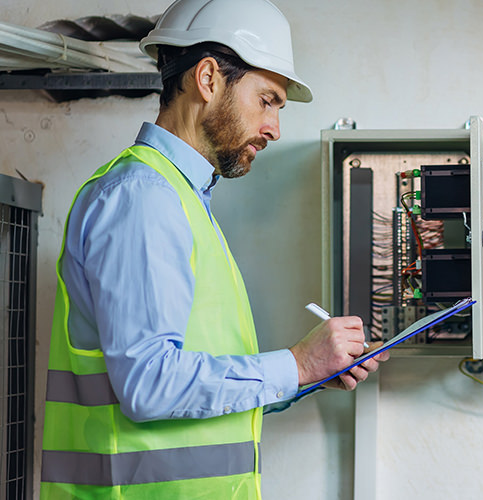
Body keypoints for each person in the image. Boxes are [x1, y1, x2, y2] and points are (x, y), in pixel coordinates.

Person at [39, 0, 388, 498]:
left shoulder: (179, 198)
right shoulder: (143, 198)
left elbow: (190, 390)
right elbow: (149, 384)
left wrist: (304, 376)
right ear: (208, 79)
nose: (274, 129)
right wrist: (296, 364)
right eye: (267, 100)